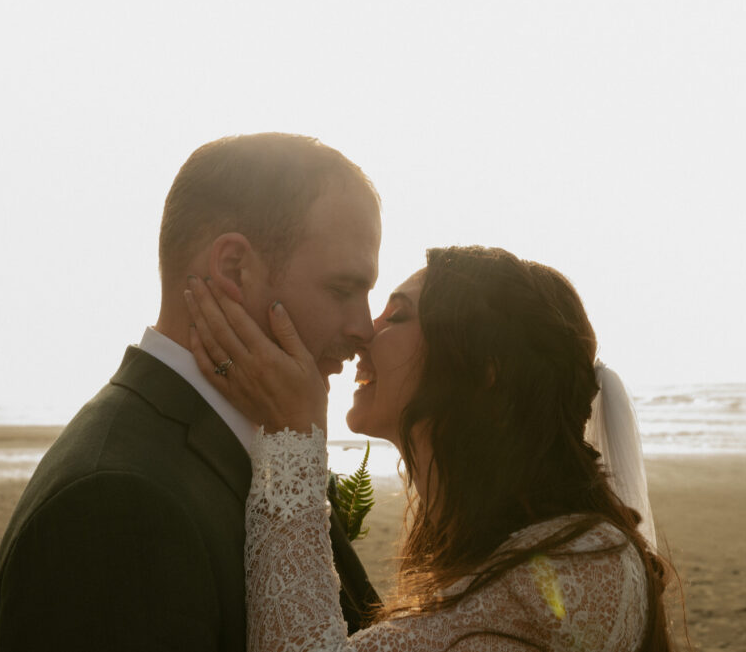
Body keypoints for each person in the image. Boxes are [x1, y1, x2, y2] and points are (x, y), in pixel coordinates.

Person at [0, 133, 383, 651]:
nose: (365, 328)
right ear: (234, 268)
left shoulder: (267, 447)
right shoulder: (114, 508)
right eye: (342, 290)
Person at [185, 245, 673, 651]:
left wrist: (290, 433)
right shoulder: (520, 544)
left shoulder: (578, 568)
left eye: (397, 315)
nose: (364, 332)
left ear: (484, 370)